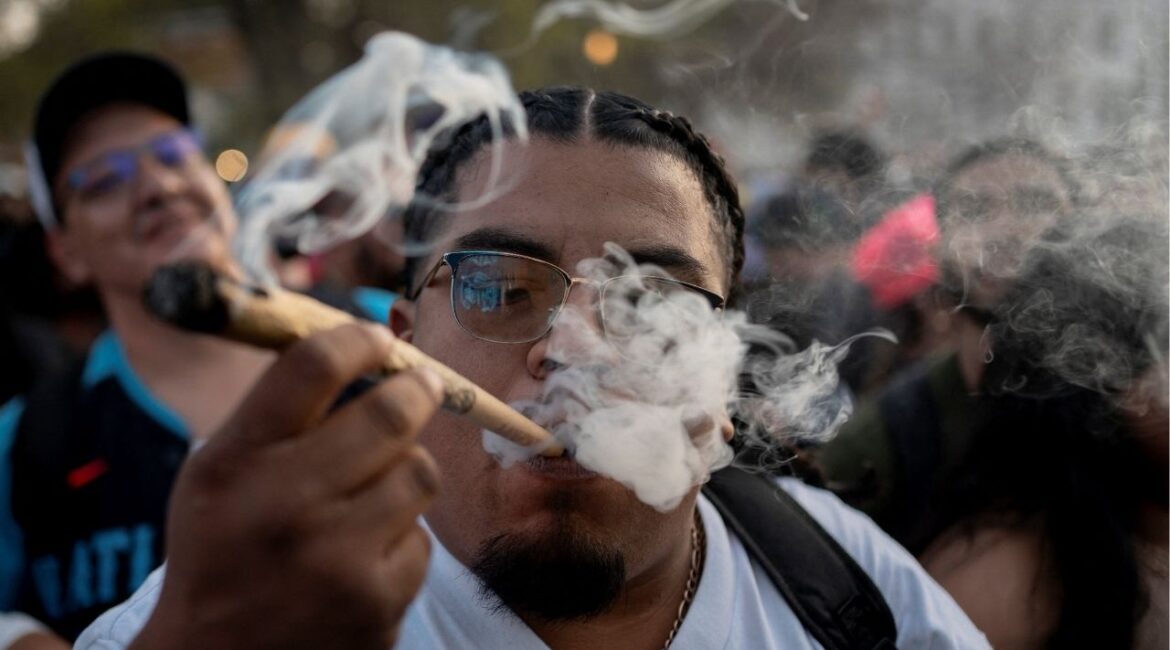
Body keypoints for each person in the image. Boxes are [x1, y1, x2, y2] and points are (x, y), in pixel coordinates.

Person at [77, 87, 988, 649]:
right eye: (499, 287)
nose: (573, 349)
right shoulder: (261, 613)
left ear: (721, 368)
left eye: (648, 303)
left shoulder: (845, 584)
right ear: (403, 342)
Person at [0, 52, 273, 647]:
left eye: (175, 154)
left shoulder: (383, 329)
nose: (157, 185)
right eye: (103, 182)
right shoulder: (24, 442)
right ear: (65, 251)